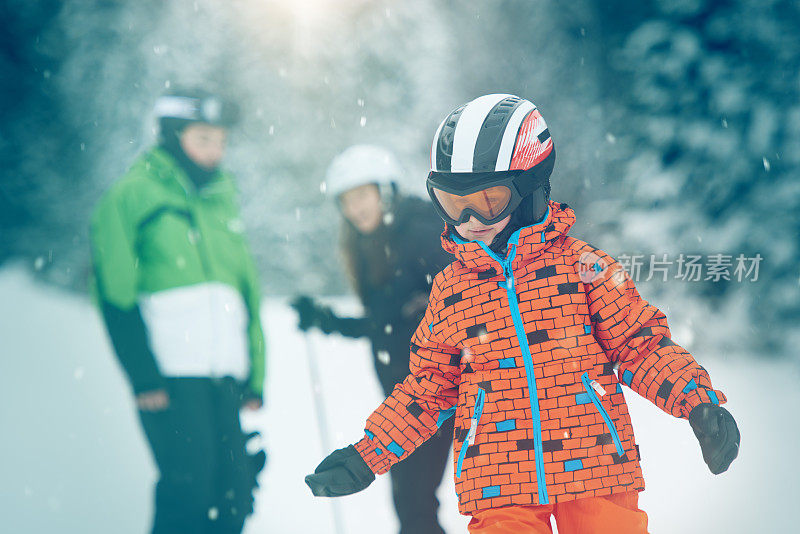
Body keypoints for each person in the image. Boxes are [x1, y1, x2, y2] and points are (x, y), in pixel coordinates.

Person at [304, 95, 740, 534]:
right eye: (454, 205)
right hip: (496, 479)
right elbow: (428, 390)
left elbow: (639, 346)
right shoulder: (450, 291)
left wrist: (697, 401)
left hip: (594, 461)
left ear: (530, 186)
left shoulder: (583, 266)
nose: (470, 219)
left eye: (487, 200)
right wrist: (367, 454)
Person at [90, 88, 267, 534]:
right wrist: (142, 373)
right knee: (189, 493)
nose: (215, 152)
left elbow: (245, 297)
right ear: (172, 135)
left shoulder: (221, 201)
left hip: (225, 376)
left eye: (221, 141)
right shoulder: (132, 195)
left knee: (234, 493)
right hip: (171, 377)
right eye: (203, 138)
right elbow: (114, 291)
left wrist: (256, 374)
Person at [292, 145, 454, 534]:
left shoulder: (419, 232)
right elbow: (385, 323)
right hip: (403, 391)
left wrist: (427, 310)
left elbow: (464, 295)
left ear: (386, 190)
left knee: (415, 498)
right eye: (347, 200)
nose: (356, 208)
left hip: (438, 389)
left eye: (363, 195)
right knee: (410, 498)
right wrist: (327, 320)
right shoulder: (369, 244)